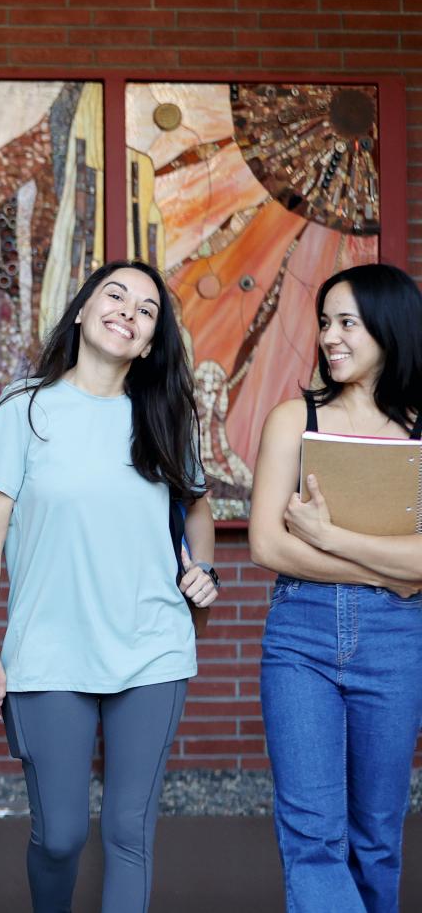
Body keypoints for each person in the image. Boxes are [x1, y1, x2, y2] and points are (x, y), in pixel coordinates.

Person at [0, 260, 219, 913]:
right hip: (48, 652)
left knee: (128, 831)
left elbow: (196, 509)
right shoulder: (24, 409)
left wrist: (204, 569)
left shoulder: (163, 414)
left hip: (152, 647)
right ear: (80, 310)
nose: (129, 313)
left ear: (151, 340)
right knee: (61, 835)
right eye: (115, 296)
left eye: (146, 310)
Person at [248, 263, 422, 913]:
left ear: (389, 326)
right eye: (325, 322)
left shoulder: (418, 428)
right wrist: (388, 570)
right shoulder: (295, 418)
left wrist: (328, 535)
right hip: (302, 639)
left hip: (398, 644)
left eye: (347, 322)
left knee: (376, 837)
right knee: (312, 835)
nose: (330, 336)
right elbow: (268, 543)